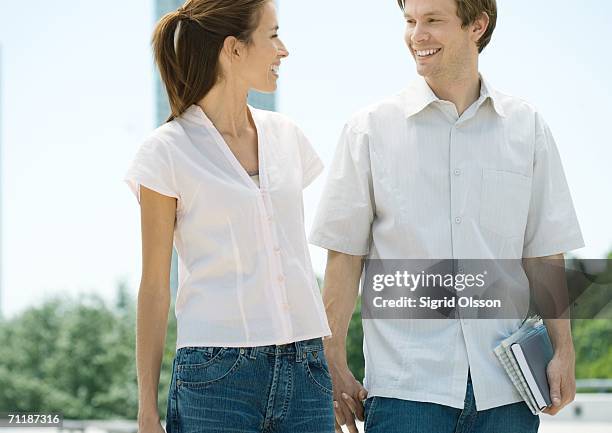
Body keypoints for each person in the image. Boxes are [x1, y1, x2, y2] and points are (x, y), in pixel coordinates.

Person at [309, 0, 584, 432]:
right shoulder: (369, 130)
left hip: (508, 392)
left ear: (477, 25)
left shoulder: (526, 127)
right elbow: (343, 258)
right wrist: (332, 359)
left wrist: (563, 349)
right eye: (410, 21)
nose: (417, 35)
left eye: (433, 20)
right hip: (407, 392)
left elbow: (545, 252)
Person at [123, 1, 334, 432]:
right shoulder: (167, 150)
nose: (284, 50)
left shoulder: (286, 135)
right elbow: (154, 286)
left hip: (306, 366)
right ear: (234, 49)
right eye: (273, 35)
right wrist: (147, 407)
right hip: (216, 374)